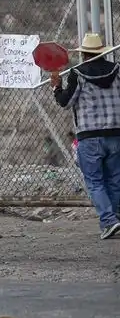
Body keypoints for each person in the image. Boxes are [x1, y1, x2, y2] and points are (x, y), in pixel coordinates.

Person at [51, 33, 120, 240]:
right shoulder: (117, 70)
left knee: (95, 181)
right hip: (116, 134)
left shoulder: (77, 74)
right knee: (115, 179)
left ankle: (109, 221)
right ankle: (115, 217)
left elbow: (66, 102)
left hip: (89, 137)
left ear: (84, 54)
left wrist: (56, 87)